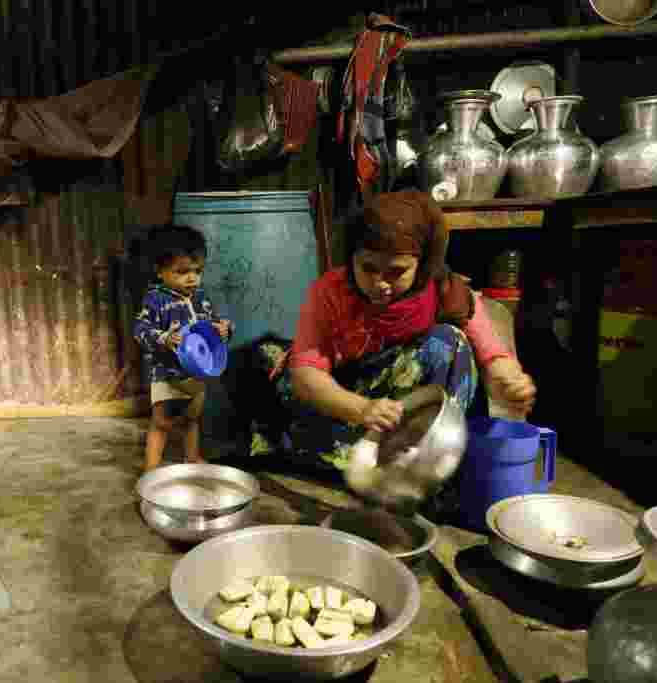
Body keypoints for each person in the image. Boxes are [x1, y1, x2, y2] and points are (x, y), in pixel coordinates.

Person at [244, 190, 536, 507]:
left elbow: (492, 355)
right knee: (279, 379)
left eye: (396, 272)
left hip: (396, 409)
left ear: (422, 263)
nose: (380, 283)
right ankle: (364, 463)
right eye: (368, 268)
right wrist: (362, 409)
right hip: (344, 400)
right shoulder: (328, 293)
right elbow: (306, 375)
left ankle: (425, 464)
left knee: (451, 344)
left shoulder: (443, 289)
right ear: (351, 257)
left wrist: (508, 379)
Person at [133, 224, 233, 472]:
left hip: (196, 373)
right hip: (166, 374)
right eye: (182, 272)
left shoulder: (201, 298)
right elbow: (140, 330)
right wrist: (163, 338)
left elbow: (213, 329)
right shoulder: (155, 300)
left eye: (197, 271)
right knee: (161, 423)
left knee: (192, 419)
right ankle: (151, 468)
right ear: (160, 271)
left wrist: (224, 330)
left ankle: (192, 458)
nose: (192, 278)